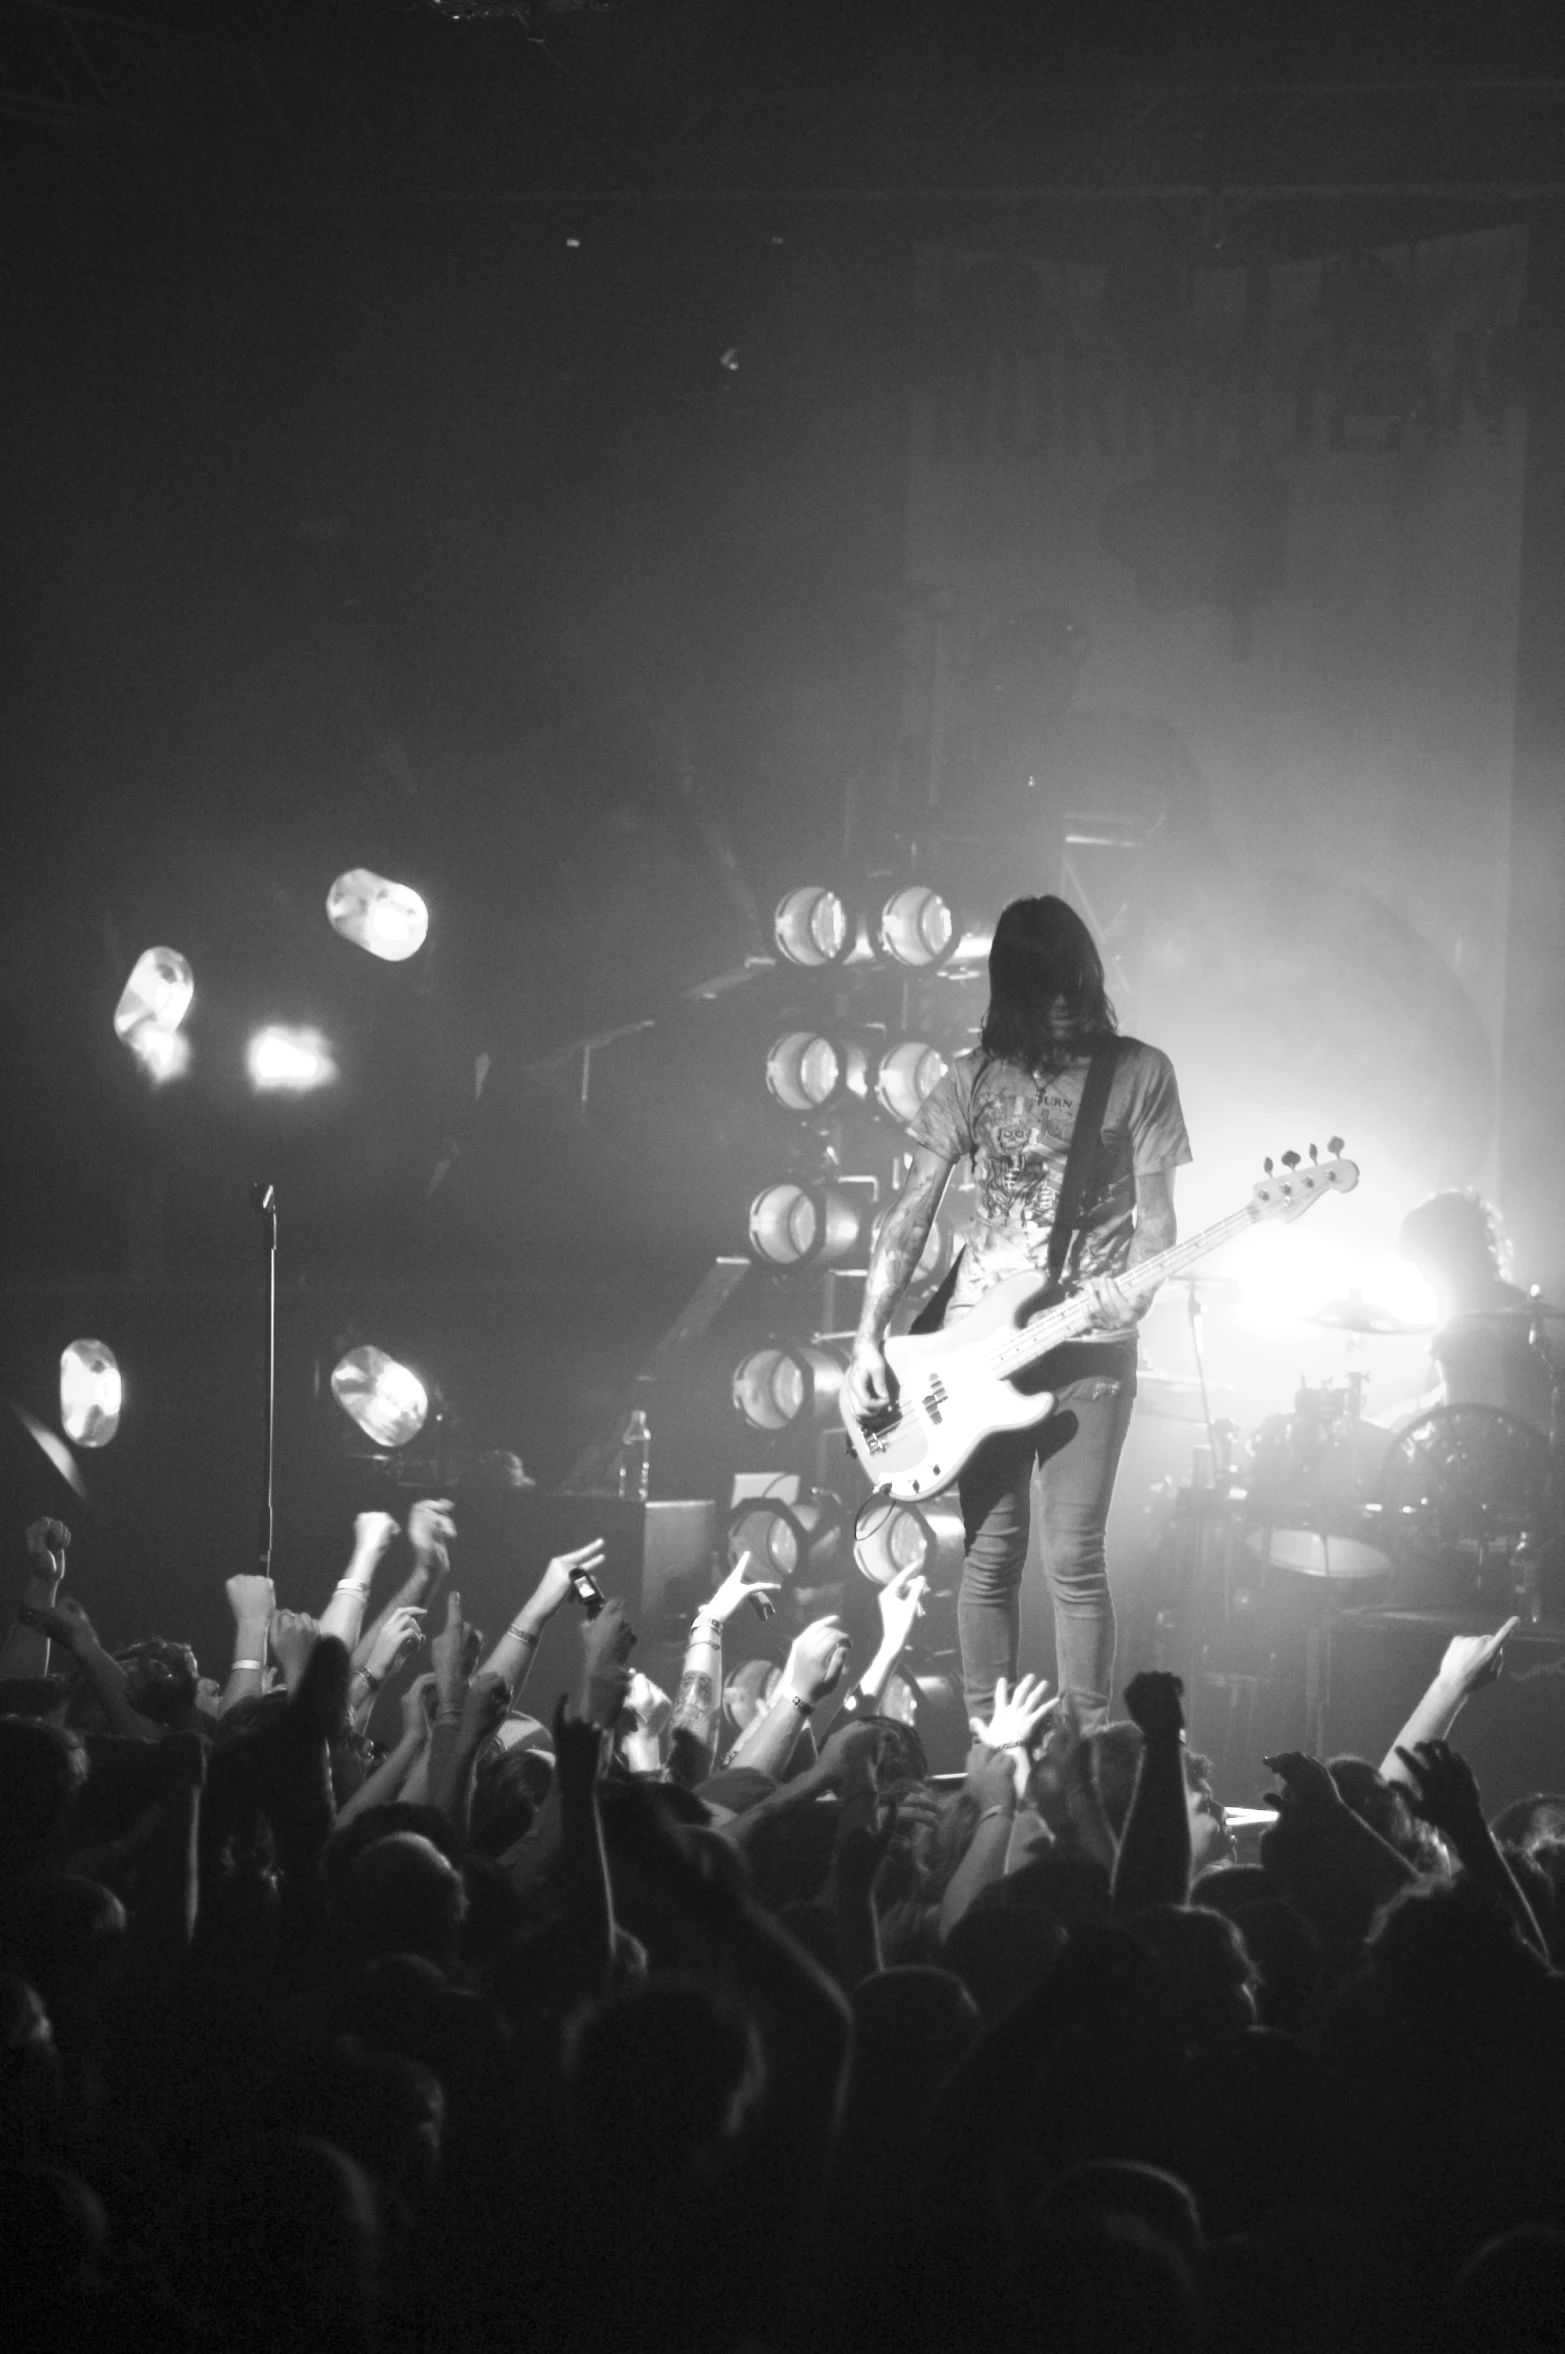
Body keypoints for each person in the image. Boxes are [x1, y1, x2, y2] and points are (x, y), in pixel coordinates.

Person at [845, 894, 1191, 1731]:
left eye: (1075, 981)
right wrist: (867, 1341)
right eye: (1046, 986)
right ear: (1013, 989)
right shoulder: (970, 1079)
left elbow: (1156, 1223)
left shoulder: (1139, 1072)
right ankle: (986, 1741)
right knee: (989, 1558)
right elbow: (909, 1214)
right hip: (972, 1357)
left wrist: (1135, 1288)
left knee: (1073, 1557)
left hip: (1089, 1348)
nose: (1066, 1001)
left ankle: (1086, 1745)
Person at [1396, 1190, 1556, 1440]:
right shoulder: (1458, 1302)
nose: (1422, 1275)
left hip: (1494, 1458)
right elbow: (1462, 1388)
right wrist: (1406, 1412)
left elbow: (1493, 1402)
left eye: (1422, 1262)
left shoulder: (1497, 1310)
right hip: (1469, 1448)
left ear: (1447, 1251)